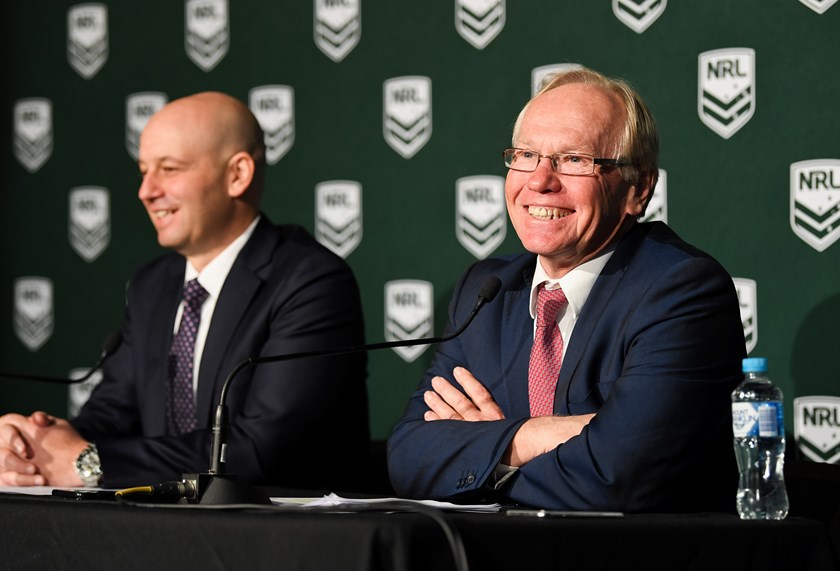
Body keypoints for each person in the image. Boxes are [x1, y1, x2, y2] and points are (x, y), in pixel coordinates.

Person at [387, 67, 746, 512]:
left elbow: (617, 476)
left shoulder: (681, 290)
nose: (539, 181)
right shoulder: (487, 291)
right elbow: (408, 456)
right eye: (525, 155)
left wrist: (487, 457)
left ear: (638, 189)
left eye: (574, 159)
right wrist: (538, 432)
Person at [0, 91, 369, 491]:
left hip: (284, 538)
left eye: (169, 169)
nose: (146, 191)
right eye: (143, 171)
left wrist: (88, 463)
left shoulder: (311, 281)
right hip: (164, 532)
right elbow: (110, 418)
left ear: (237, 175)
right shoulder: (152, 286)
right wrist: (33, 447)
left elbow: (260, 449)